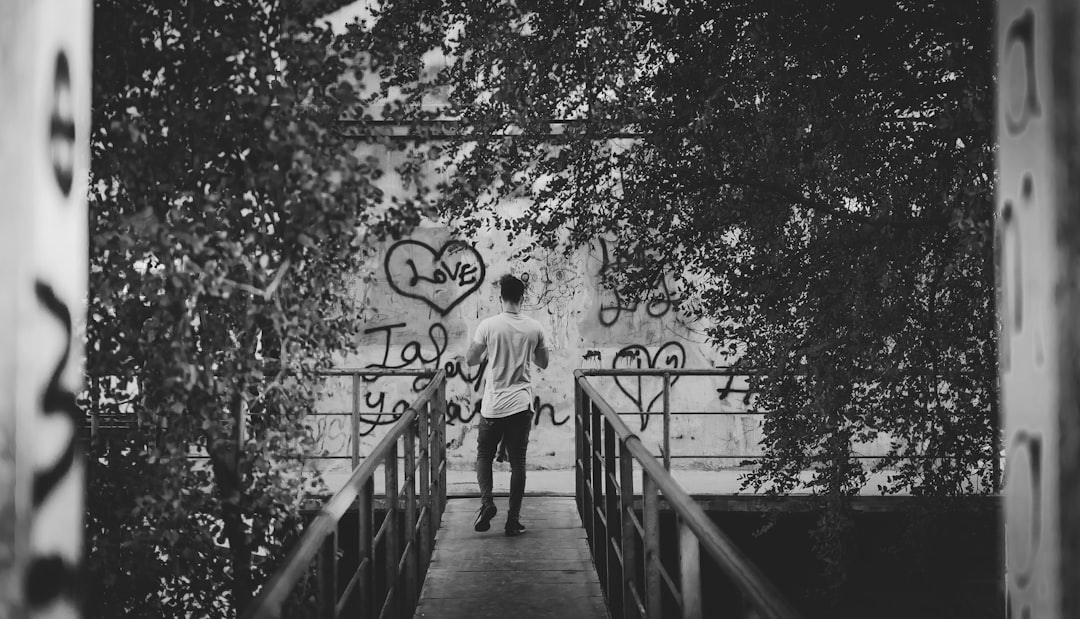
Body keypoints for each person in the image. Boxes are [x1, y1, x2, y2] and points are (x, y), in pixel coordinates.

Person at [465, 274, 548, 536]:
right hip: (521, 405)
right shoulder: (534, 327)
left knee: (484, 456)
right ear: (522, 298)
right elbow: (543, 363)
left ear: (500, 297)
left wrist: (489, 350)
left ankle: (487, 502)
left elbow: (471, 359)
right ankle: (513, 520)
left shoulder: (488, 325)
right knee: (518, 463)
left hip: (493, 405)